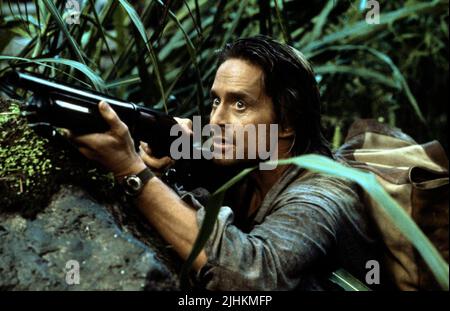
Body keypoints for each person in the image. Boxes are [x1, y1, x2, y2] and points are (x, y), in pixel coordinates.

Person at [68, 35, 382, 290]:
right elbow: (197, 155)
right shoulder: (250, 159)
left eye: (240, 104)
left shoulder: (321, 197)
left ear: (287, 123)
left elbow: (253, 275)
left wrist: (132, 172)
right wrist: (170, 152)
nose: (216, 119)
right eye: (217, 100)